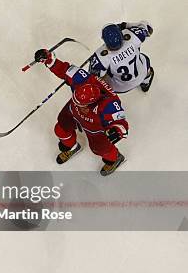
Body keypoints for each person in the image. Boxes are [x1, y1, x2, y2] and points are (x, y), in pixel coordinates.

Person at [35, 48, 129, 176]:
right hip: (72, 110)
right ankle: (72, 147)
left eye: (82, 105)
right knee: (61, 129)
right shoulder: (82, 80)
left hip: (94, 126)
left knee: (100, 148)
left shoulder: (109, 104)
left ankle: (115, 158)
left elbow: (122, 124)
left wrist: (116, 131)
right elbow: (64, 69)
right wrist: (49, 59)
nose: (80, 106)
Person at [89, 21, 154, 93]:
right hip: (141, 75)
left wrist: (93, 62)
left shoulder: (100, 57)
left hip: (119, 88)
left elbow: (93, 76)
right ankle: (146, 82)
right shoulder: (133, 35)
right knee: (145, 59)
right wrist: (125, 25)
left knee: (101, 77)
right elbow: (148, 29)